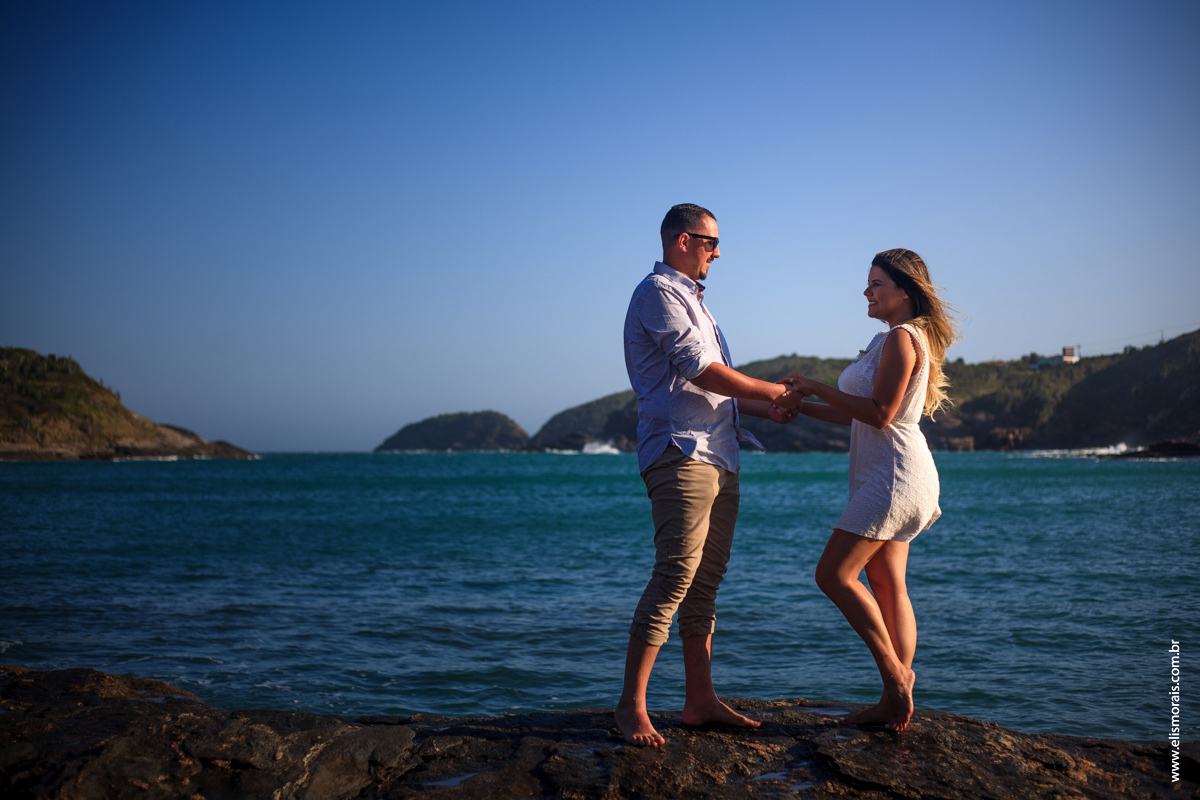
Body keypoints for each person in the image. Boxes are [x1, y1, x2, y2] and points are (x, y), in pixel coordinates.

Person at [616, 203, 798, 747]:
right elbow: (698, 368)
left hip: (719, 453)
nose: (718, 253)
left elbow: (711, 389)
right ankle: (631, 707)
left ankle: (699, 700)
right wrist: (773, 392)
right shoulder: (658, 293)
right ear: (681, 240)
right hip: (680, 452)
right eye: (710, 242)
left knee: (705, 582)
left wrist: (770, 409)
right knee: (675, 576)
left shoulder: (695, 302)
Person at [777, 248, 958, 733]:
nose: (867, 291)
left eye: (876, 283)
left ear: (904, 291)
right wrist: (803, 407)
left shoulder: (902, 338)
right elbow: (855, 411)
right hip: (898, 473)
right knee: (887, 583)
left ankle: (896, 681)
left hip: (893, 477)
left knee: (834, 575)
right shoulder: (892, 339)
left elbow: (879, 412)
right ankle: (895, 697)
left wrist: (813, 384)